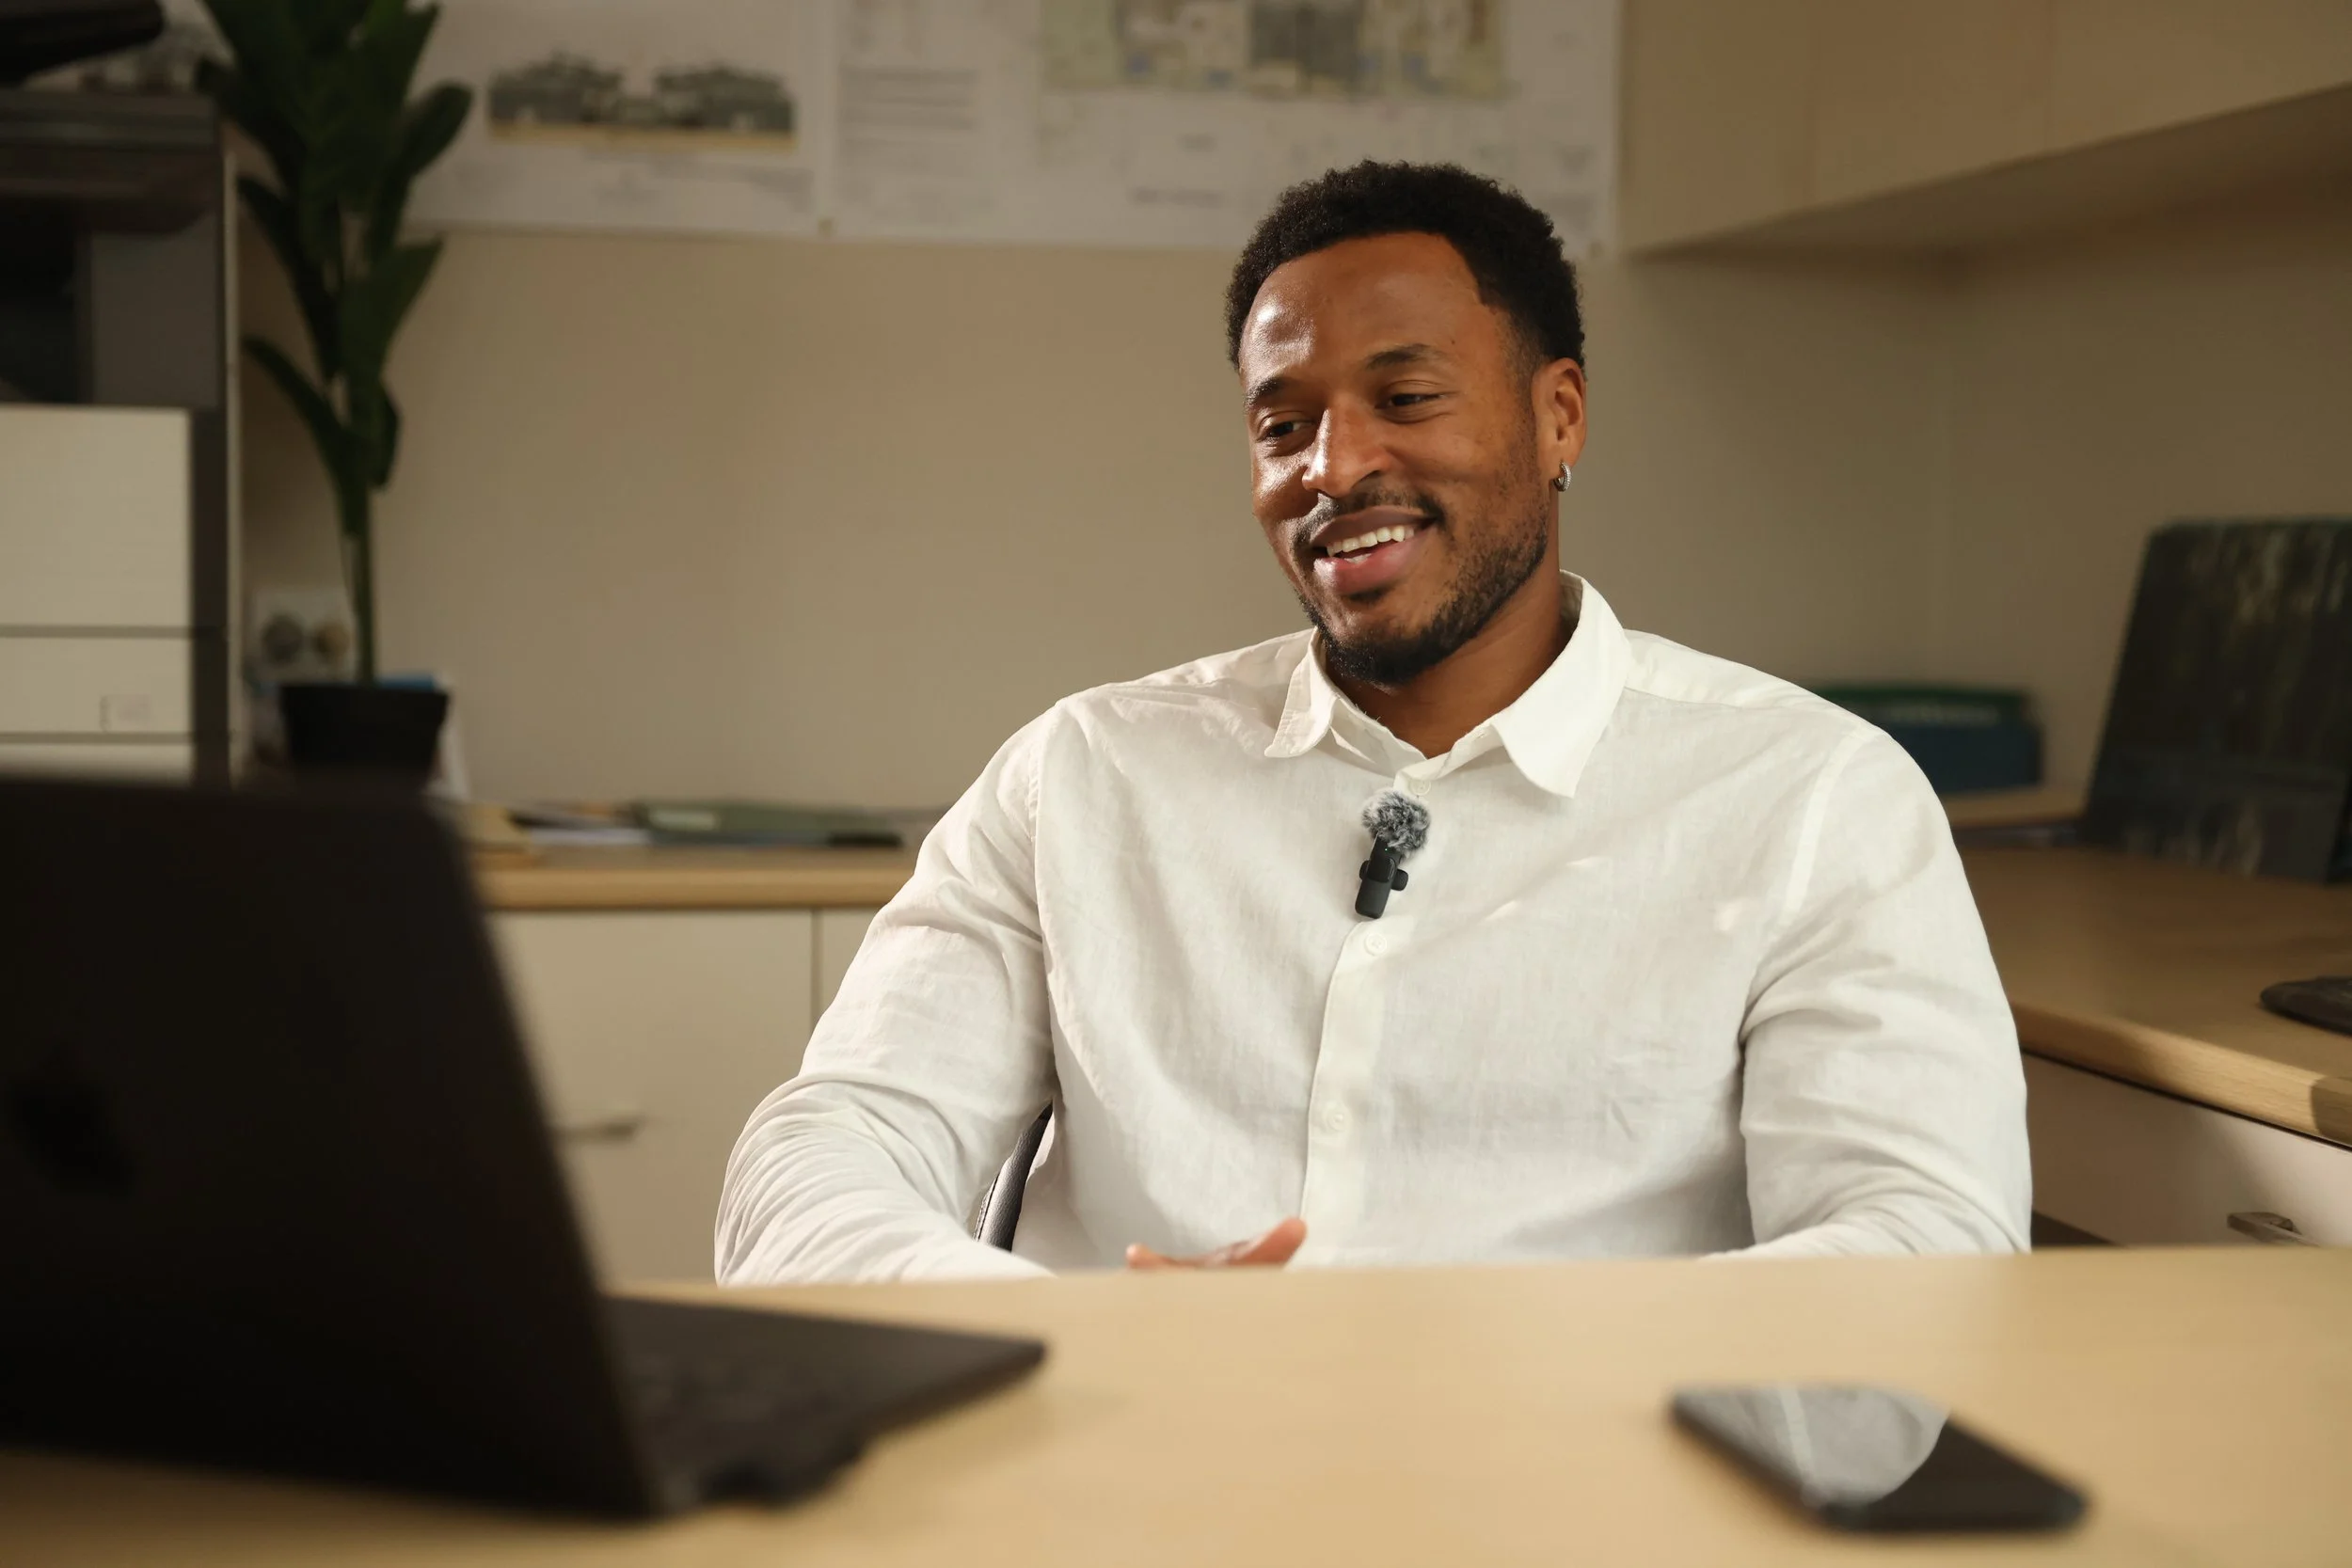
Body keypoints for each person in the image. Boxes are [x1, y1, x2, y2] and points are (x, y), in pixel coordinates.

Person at [716, 162, 2029, 1283]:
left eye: (1407, 399)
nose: (1334, 468)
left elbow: (1931, 1247)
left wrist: (1468, 1375)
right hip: (1129, 1475)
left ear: (1558, 412)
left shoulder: (1810, 798)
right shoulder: (1086, 775)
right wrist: (1063, 1331)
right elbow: (811, 1165)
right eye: (1283, 423)